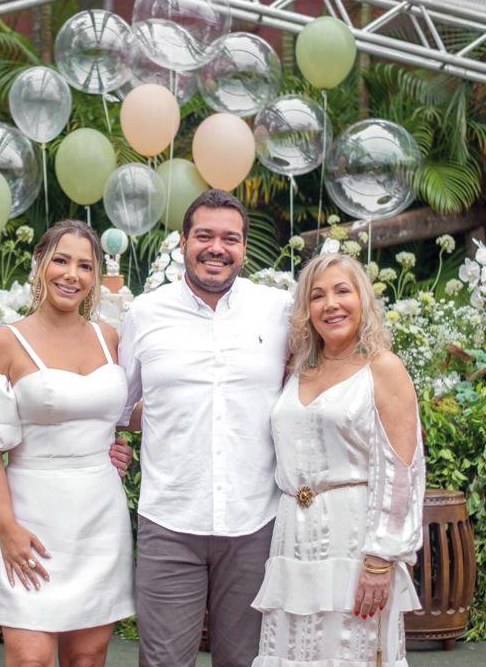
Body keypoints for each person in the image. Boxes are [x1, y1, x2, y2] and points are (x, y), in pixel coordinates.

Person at [118, 189, 293, 666]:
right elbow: (120, 407)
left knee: (247, 661)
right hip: (171, 520)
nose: (217, 248)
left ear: (243, 247)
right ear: (183, 241)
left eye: (230, 238)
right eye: (205, 236)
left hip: (255, 521)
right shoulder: (144, 315)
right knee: (164, 660)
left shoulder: (279, 311)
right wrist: (127, 435)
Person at [0, 219, 135, 667]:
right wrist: (6, 529)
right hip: (31, 518)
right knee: (30, 658)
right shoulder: (4, 342)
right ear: (39, 264)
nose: (71, 274)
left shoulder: (110, 337)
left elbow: (118, 414)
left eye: (85, 265)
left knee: (88, 656)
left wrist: (121, 445)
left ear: (96, 276)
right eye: (60, 260)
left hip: (101, 514)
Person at [251, 253, 425, 667]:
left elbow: (404, 471)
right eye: (317, 296)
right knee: (293, 650)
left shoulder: (383, 368)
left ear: (362, 299)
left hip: (355, 538)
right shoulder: (297, 369)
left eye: (342, 291)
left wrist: (382, 558)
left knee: (352, 649)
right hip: (293, 533)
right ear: (306, 310)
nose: (330, 304)